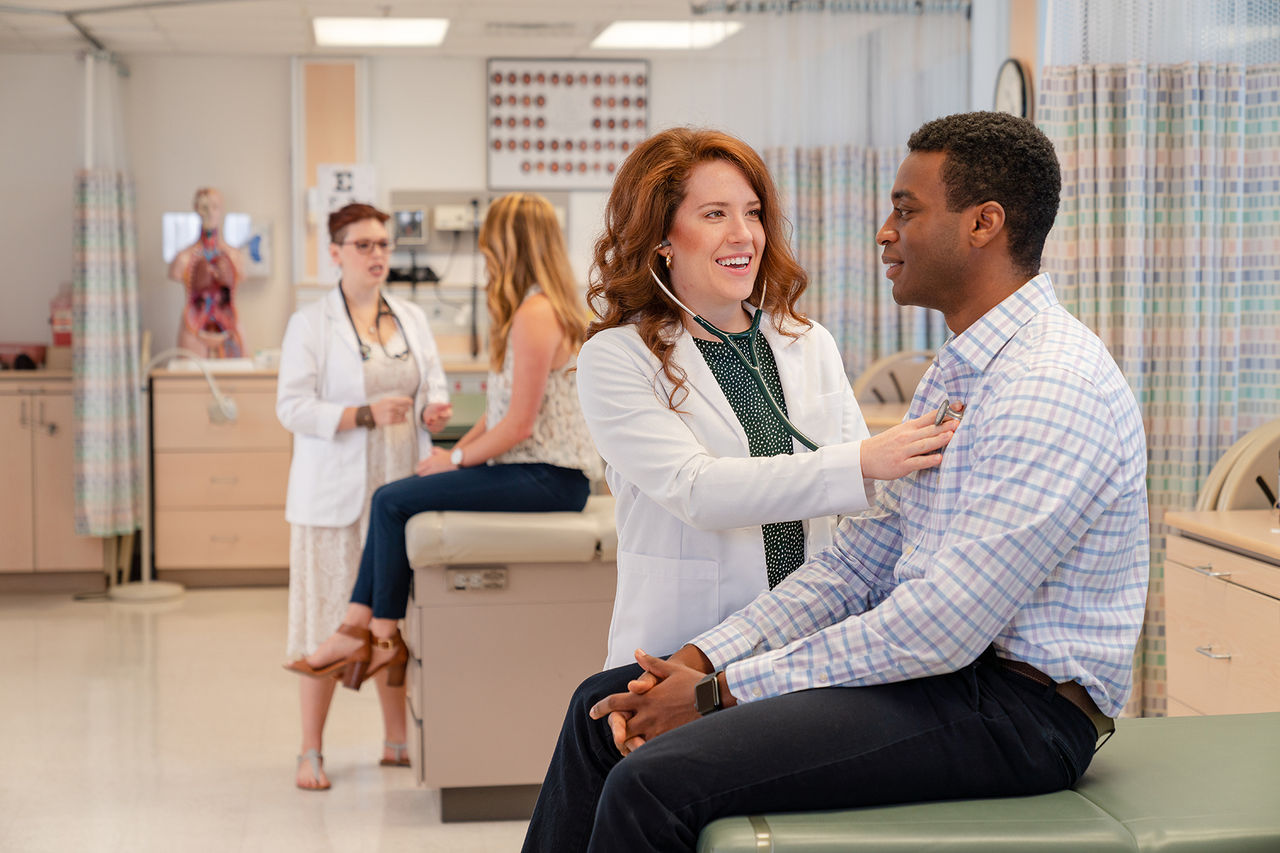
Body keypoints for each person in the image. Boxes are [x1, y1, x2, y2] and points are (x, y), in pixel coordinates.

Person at [522, 112, 1150, 853]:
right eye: (715, 213)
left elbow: (936, 628)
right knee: (601, 707)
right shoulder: (964, 371)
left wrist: (718, 690)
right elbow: (860, 558)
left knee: (651, 779)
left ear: (983, 224)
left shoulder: (1046, 383)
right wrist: (704, 655)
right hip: (951, 675)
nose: (884, 231)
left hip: (1016, 708)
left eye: (906, 211)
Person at [578, 127, 958, 668]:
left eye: (753, 213)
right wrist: (864, 460)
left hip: (805, 643)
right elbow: (697, 490)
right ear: (660, 237)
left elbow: (862, 495)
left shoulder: (806, 341)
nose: (744, 235)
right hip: (684, 641)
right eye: (714, 215)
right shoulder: (619, 357)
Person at [288, 192, 603, 742]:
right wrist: (446, 457)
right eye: (365, 244)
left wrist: (454, 457)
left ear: (510, 247)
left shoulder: (536, 313)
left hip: (551, 476)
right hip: (525, 470)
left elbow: (519, 427)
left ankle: (372, 631)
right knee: (400, 496)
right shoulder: (533, 308)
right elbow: (498, 415)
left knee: (391, 500)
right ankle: (370, 633)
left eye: (489, 248)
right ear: (336, 252)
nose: (484, 259)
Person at [276, 202, 452, 790]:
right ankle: (310, 752)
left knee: (389, 620)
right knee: (328, 624)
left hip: (398, 490)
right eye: (363, 245)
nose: (377, 255)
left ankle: (396, 741)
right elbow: (291, 407)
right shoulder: (311, 323)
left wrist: (433, 409)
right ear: (335, 253)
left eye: (383, 244)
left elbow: (435, 383)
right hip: (334, 499)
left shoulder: (409, 317)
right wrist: (361, 413)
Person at [167, 187, 247, 358]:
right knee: (190, 382)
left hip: (229, 329)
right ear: (196, 210)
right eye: (205, 207)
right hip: (194, 329)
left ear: (221, 210)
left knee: (236, 382)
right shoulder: (183, 258)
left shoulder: (235, 257)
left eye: (215, 207)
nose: (210, 213)